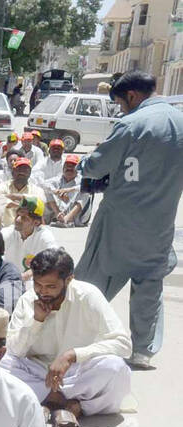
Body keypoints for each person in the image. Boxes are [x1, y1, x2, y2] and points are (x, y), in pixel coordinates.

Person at [75, 70, 183, 369]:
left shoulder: (131, 125)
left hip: (119, 222)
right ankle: (142, 351)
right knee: (149, 286)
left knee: (92, 281)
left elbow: (96, 167)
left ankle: (76, 338)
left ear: (132, 96)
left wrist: (84, 162)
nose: (121, 109)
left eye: (121, 103)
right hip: (160, 224)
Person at [0, 248, 132, 427]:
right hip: (39, 376)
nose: (43, 292)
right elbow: (14, 350)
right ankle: (63, 403)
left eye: (51, 287)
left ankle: (62, 405)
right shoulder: (28, 299)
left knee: (116, 368)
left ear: (68, 280)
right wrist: (36, 321)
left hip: (78, 374)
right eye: (38, 285)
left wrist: (72, 355)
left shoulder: (88, 295)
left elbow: (123, 344)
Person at [2, 197, 60, 285]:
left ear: (36, 222)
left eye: (24, 218)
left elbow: (56, 259)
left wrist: (27, 275)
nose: (17, 220)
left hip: (35, 286)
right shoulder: (7, 232)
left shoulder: (44, 235)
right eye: (18, 215)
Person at [42, 155, 94, 228]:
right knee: (46, 191)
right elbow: (44, 184)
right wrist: (56, 192)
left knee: (85, 191)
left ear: (78, 169)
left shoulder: (82, 179)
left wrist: (70, 189)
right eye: (67, 166)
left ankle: (66, 219)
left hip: (78, 217)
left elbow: (90, 185)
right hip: (60, 211)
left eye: (73, 166)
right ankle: (59, 216)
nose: (69, 168)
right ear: (63, 168)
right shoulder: (58, 179)